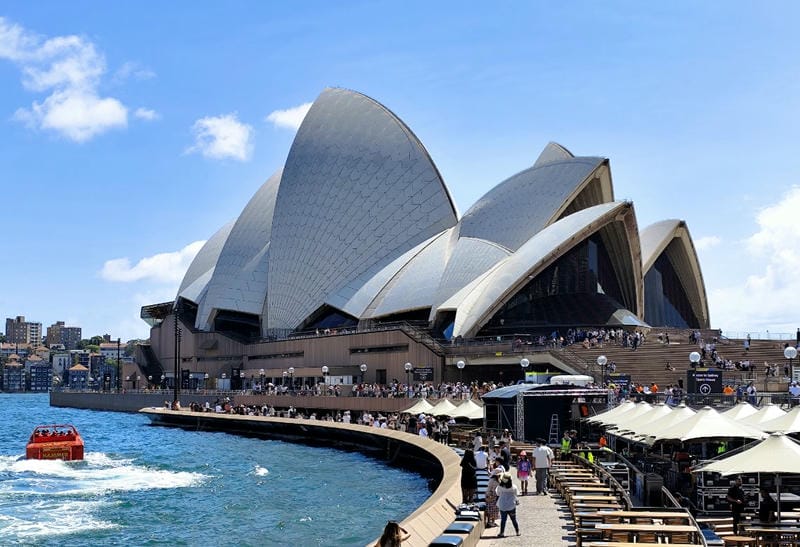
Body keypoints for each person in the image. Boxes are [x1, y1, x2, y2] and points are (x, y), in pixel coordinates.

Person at [495, 472, 520, 537]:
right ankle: (517, 531)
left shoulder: (500, 487)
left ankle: (502, 532)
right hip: (511, 505)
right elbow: (516, 494)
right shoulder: (513, 487)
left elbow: (498, 494)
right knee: (513, 519)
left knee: (503, 520)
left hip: (502, 505)